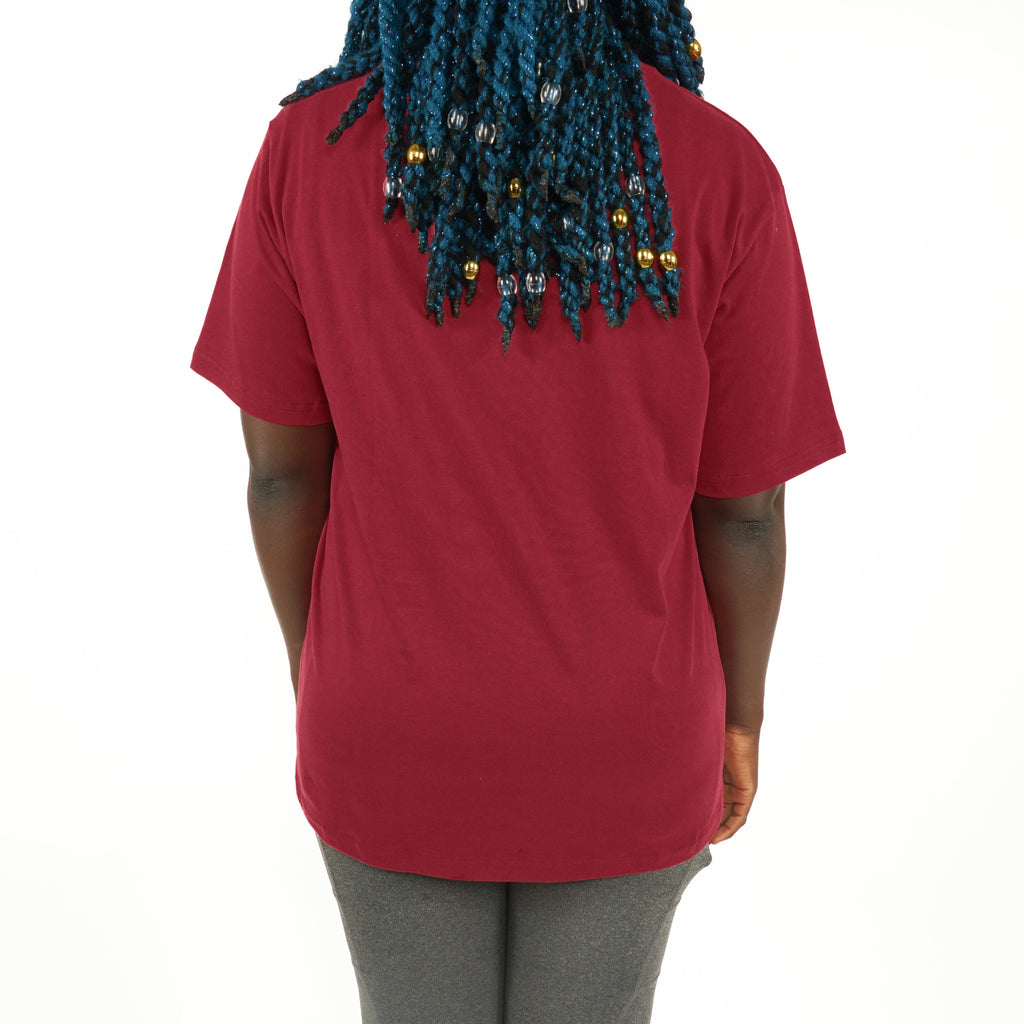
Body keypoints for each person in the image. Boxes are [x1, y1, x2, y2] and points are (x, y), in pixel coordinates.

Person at [189, 1, 846, 1021]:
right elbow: (745, 514)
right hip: (626, 736)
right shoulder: (719, 169)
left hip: (388, 722)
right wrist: (742, 716)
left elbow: (281, 479)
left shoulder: (308, 153)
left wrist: (323, 671)